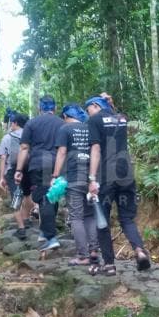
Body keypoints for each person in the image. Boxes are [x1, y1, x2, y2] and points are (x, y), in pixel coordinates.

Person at [85, 94, 151, 271]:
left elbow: (96, 148)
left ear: (94, 105)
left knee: (102, 220)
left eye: (88, 109)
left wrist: (91, 178)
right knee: (127, 218)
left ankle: (109, 264)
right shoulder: (121, 118)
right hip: (126, 173)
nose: (87, 113)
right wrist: (109, 103)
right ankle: (139, 250)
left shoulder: (94, 120)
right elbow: (111, 117)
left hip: (106, 175)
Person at [52, 104, 105, 273]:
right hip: (91, 177)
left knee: (76, 217)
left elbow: (61, 152)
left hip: (74, 177)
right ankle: (94, 251)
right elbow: (97, 150)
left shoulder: (65, 129)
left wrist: (54, 175)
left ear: (66, 116)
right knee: (90, 215)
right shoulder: (90, 127)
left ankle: (83, 255)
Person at [15, 96, 64, 252]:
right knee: (53, 196)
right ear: (54, 108)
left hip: (38, 163)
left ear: (39, 108)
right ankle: (45, 230)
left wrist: (18, 170)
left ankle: (51, 237)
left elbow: (24, 148)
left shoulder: (32, 123)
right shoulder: (62, 123)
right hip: (57, 164)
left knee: (44, 198)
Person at [0, 113, 32, 235]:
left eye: (12, 122)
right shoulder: (30, 135)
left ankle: (21, 228)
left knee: (16, 197)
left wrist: (1, 177)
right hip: (28, 169)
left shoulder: (7, 138)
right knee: (28, 195)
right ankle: (26, 218)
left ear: (15, 123)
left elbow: (3, 158)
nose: (11, 125)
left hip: (13, 170)